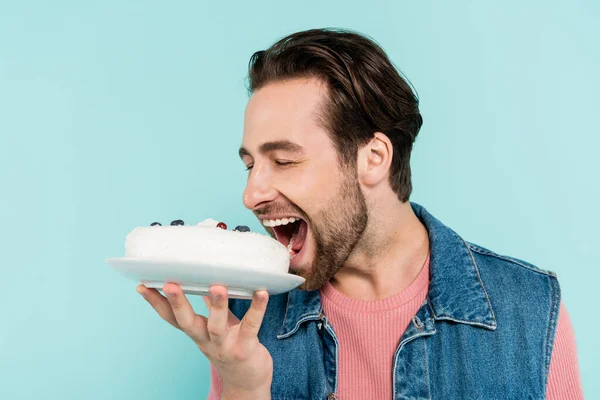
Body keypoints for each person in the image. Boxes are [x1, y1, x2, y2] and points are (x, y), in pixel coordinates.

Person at [136, 28, 584, 399]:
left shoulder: (527, 309)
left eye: (285, 160)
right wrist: (242, 384)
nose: (251, 194)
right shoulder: (246, 315)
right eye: (251, 164)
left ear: (373, 158)